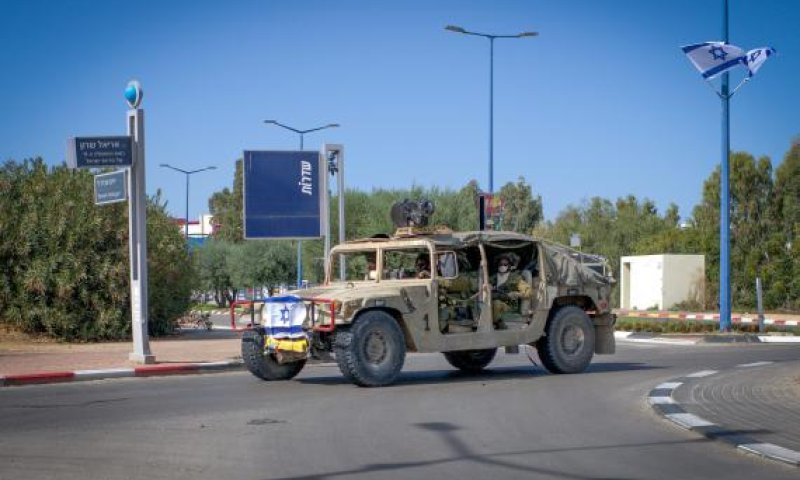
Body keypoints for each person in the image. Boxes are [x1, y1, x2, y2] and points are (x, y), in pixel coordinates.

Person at [491, 252, 532, 328]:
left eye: (505, 264)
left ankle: (497, 324)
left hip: (508, 305)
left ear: (509, 266)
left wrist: (516, 294)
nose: (502, 266)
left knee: (496, 304)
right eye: (500, 264)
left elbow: (527, 292)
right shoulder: (494, 277)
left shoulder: (515, 278)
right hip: (493, 299)